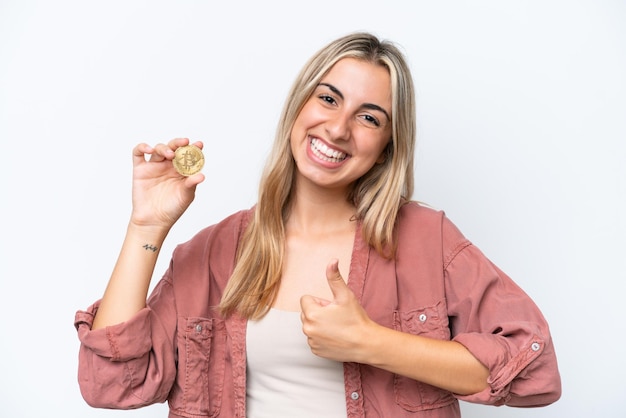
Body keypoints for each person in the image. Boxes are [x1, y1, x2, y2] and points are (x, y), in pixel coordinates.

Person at [74, 32, 561, 418]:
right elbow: (112, 384)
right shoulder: (214, 252)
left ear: (387, 147)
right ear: (300, 106)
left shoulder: (425, 240)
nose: (338, 128)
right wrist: (146, 226)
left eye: (368, 117)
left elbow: (534, 370)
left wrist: (372, 343)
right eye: (328, 99)